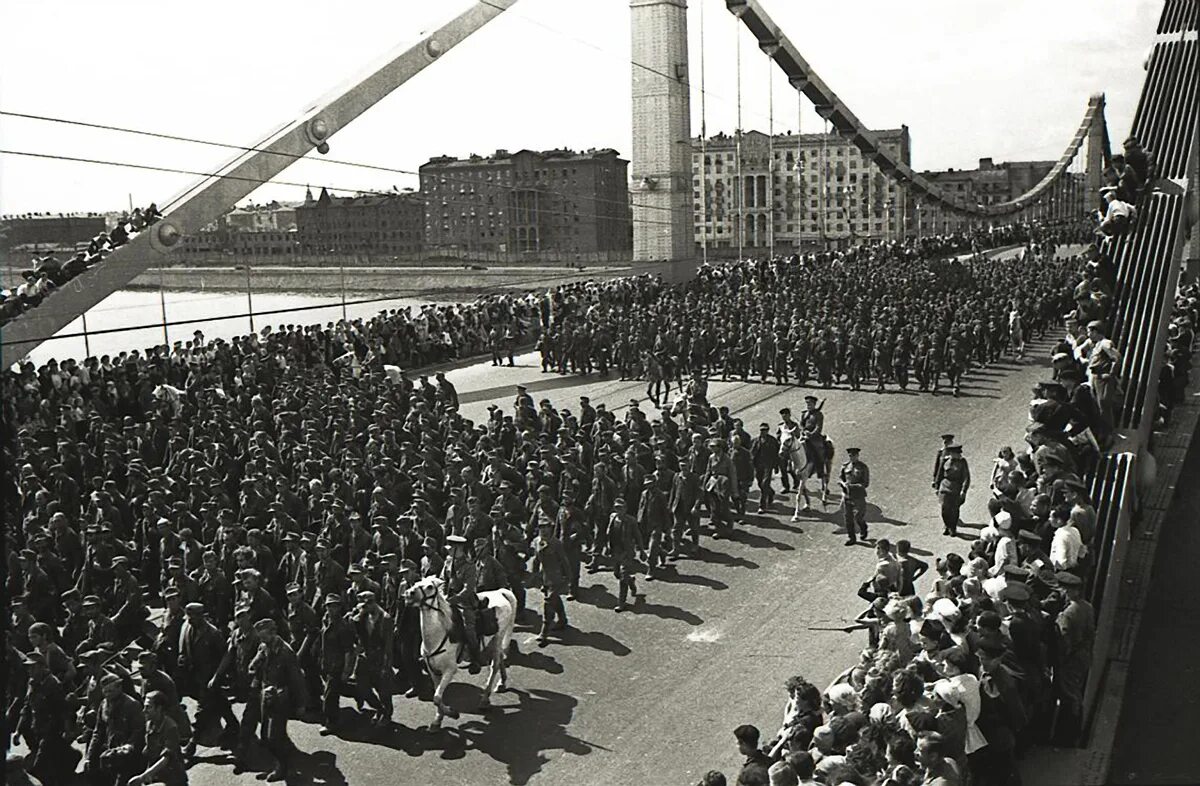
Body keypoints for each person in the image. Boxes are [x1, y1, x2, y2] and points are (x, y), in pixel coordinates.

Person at [248, 617, 306, 782]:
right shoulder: (263, 648)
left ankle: (283, 768)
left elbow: (297, 680)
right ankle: (282, 764)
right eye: (260, 637)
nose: (262, 640)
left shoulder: (286, 652)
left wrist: (301, 704)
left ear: (273, 633)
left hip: (281, 698)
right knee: (266, 736)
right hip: (265, 696)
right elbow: (254, 670)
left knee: (274, 737)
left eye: (264, 636)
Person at [1052, 572, 1094, 746]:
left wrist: (1060, 660)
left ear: (1069, 591)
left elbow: (1064, 641)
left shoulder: (1067, 614)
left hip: (1070, 660)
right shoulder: (1087, 607)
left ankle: (1067, 735)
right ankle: (1075, 731)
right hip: (1084, 655)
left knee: (1069, 696)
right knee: (1075, 692)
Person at [127, 689, 188, 786]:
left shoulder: (170, 727)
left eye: (148, 707)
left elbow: (166, 758)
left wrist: (143, 777)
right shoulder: (149, 724)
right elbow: (149, 752)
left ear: (159, 708)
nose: (144, 711)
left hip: (173, 780)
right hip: (156, 776)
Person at [440, 535, 482, 672]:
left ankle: (475, 659)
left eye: (451, 548)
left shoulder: (469, 566)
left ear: (458, 548)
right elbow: (443, 579)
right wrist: (443, 594)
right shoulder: (448, 561)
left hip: (464, 602)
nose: (448, 551)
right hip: (449, 597)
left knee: (469, 628)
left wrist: (455, 599)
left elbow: (468, 589)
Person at [531, 520, 572, 644]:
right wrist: (534, 574)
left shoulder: (556, 543)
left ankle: (544, 633)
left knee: (548, 603)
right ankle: (562, 619)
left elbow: (564, 561)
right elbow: (536, 559)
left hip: (556, 577)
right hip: (545, 577)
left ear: (551, 528)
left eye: (546, 527)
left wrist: (569, 577)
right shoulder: (537, 541)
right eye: (541, 527)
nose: (543, 530)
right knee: (553, 599)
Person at [937, 443, 970, 537]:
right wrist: (937, 486)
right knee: (944, 509)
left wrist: (963, 490)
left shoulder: (962, 462)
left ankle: (953, 527)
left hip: (956, 488)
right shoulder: (945, 461)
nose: (959, 455)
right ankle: (947, 525)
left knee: (954, 510)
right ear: (951, 453)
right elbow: (939, 474)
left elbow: (966, 477)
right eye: (956, 453)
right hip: (944, 487)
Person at [839, 447, 870, 546]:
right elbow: (841, 478)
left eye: (854, 456)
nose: (852, 457)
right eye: (850, 456)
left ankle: (863, 527)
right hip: (847, 496)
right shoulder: (845, 467)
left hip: (859, 496)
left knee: (858, 517)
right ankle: (852, 538)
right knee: (848, 518)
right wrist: (842, 484)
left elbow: (865, 483)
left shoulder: (863, 467)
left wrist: (852, 486)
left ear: (858, 456)